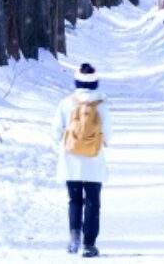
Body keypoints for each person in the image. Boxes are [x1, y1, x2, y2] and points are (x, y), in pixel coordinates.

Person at [51, 63, 113, 258]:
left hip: (71, 160)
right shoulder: (102, 105)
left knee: (75, 200)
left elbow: (55, 132)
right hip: (94, 159)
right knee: (93, 202)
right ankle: (89, 245)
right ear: (95, 82)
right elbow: (108, 134)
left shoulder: (66, 103)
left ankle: (74, 238)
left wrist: (65, 142)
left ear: (77, 81)